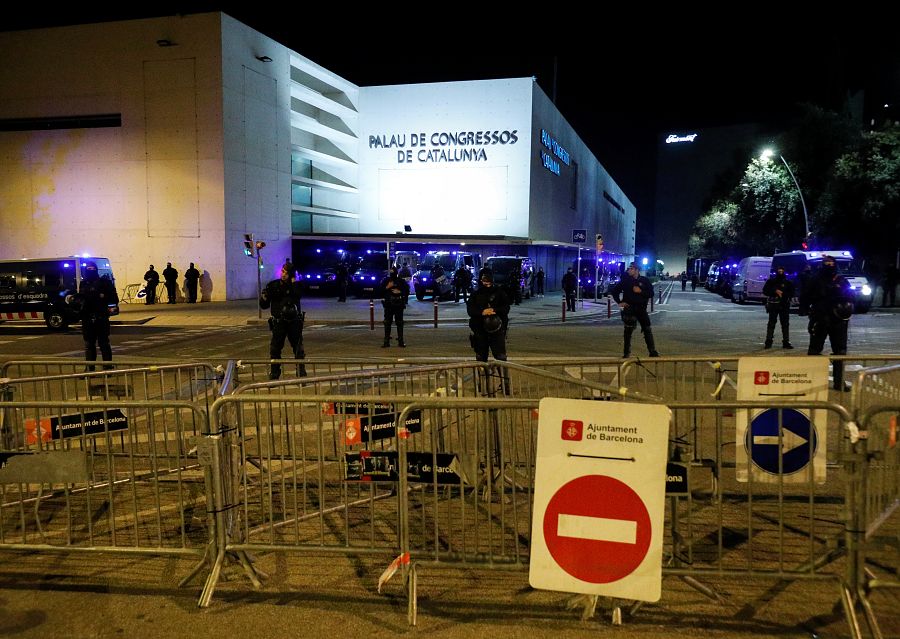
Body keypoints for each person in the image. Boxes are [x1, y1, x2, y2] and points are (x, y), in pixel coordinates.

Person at [806, 254, 853, 391]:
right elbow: (806, 297)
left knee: (840, 352)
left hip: (837, 319)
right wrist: (822, 294)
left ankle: (839, 382)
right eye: (826, 263)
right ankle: (812, 381)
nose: (829, 265)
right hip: (820, 318)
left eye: (831, 263)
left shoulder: (841, 280)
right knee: (814, 350)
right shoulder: (815, 279)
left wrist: (839, 292)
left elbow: (851, 296)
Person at [259, 263, 307, 380]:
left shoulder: (296, 286)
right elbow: (264, 305)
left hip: (294, 322)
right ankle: (275, 373)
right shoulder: (273, 285)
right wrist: (263, 298)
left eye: (286, 272)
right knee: (275, 348)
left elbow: (297, 294)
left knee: (298, 348)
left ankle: (301, 373)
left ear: (291, 274)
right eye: (282, 271)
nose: (283, 274)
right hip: (279, 322)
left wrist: (294, 281)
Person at [73, 260, 118, 367]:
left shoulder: (104, 283)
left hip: (101, 317)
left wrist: (103, 299)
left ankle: (107, 367)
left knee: (103, 344)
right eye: (88, 269)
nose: (90, 271)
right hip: (87, 318)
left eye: (92, 269)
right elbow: (81, 300)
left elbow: (114, 298)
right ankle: (90, 367)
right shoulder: (84, 283)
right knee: (89, 344)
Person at [611, 261, 659, 358]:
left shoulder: (644, 280)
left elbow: (651, 293)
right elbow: (615, 291)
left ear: (636, 270)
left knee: (647, 329)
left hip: (641, 309)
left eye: (631, 269)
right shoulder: (626, 281)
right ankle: (626, 353)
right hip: (629, 308)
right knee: (628, 331)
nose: (629, 270)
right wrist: (619, 302)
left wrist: (640, 291)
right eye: (629, 268)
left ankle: (652, 351)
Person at [467, 269, 510, 362]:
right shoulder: (476, 293)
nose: (487, 284)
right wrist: (482, 312)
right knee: (481, 356)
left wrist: (494, 310)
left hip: (497, 328)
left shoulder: (499, 292)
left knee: (500, 356)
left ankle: (502, 371)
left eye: (489, 281)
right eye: (484, 281)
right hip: (480, 328)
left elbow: (506, 308)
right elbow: (470, 310)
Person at [762, 265, 795, 349]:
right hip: (773, 304)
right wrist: (775, 291)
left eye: (782, 271)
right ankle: (768, 341)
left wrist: (783, 294)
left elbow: (792, 293)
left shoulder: (788, 282)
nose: (780, 272)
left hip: (784, 305)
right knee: (771, 323)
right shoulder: (771, 281)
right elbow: (765, 291)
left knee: (785, 324)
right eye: (779, 271)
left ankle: (786, 341)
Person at [380, 266, 409, 347]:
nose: (392, 274)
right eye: (391, 272)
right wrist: (387, 287)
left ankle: (401, 341)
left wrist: (400, 291)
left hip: (398, 304)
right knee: (387, 322)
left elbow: (407, 291)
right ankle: (386, 341)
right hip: (389, 304)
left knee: (399, 323)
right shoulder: (386, 280)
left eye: (394, 272)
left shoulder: (401, 281)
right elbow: (380, 291)